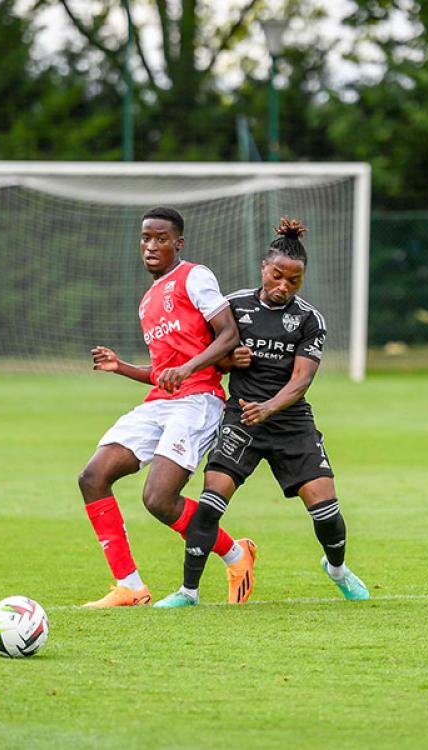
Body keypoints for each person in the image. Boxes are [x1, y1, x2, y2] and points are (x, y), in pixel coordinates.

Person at [154, 218, 370, 608]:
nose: (283, 286)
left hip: (290, 422)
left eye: (293, 281)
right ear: (263, 268)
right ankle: (188, 592)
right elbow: (212, 360)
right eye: (277, 276)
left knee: (326, 511)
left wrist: (269, 407)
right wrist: (229, 361)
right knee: (210, 503)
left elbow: (301, 380)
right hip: (242, 420)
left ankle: (337, 569)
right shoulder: (234, 306)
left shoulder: (309, 320)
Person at [79, 206, 257, 608]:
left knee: (158, 499)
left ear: (178, 243)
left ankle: (235, 554)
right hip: (161, 402)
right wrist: (121, 367)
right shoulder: (147, 302)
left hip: (198, 401)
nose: (151, 246)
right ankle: (130, 587)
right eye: (146, 238)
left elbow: (228, 335)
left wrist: (189, 367)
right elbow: (163, 374)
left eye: (161, 239)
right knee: (92, 477)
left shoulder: (195, 276)